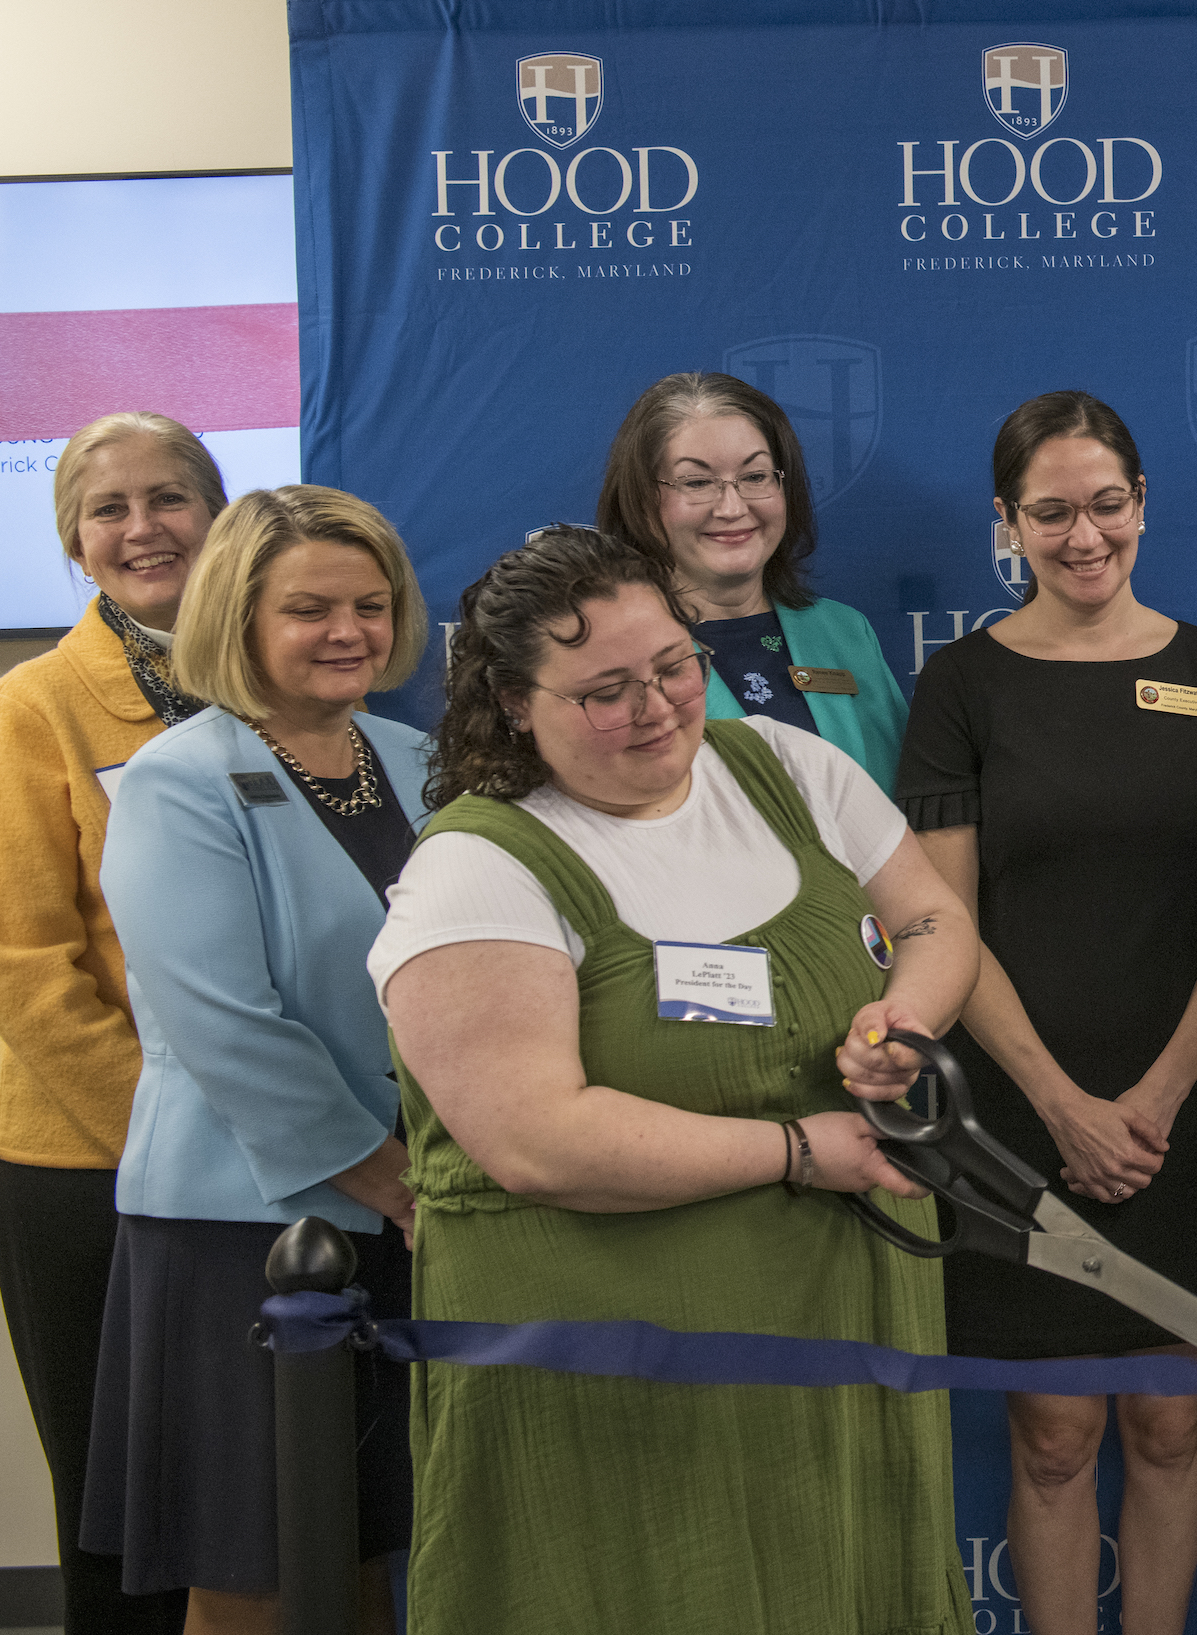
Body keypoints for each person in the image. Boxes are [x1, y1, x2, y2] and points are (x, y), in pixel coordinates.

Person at [367, 526, 977, 1635]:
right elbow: (536, 1139)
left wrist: (905, 1017)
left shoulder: (789, 767)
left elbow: (934, 916)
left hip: (833, 1325)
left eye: (673, 667)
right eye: (605, 690)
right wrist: (798, 1152)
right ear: (512, 699)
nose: (656, 707)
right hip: (605, 1359)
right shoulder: (478, 865)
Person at [894, 390, 1197, 1635]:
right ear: (1007, 524)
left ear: (1144, 504)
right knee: (1055, 1437)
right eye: (1049, 512)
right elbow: (943, 929)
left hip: (1188, 1107)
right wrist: (1061, 1104)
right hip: (1014, 1104)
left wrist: (1155, 1096)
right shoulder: (960, 684)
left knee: (1171, 1422)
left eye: (1106, 505)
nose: (1083, 536)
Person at [83, 485, 434, 1634]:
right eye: (310, 608)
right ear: (238, 616)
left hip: (407, 1214)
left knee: (368, 1545)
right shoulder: (179, 781)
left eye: (370, 606)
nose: (350, 632)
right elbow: (220, 1021)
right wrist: (384, 1173)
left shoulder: (415, 756)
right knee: (260, 1566)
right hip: (249, 1227)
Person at [0, 412, 220, 1635]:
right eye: (110, 508)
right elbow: (21, 965)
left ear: (218, 516)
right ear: (75, 541)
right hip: (97, 1170)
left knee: (246, 1509)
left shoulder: (277, 690)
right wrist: (176, 1136)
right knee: (116, 1522)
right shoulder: (30, 709)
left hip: (266, 1171)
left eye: (171, 497)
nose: (144, 528)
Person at [595, 370, 912, 790]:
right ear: (641, 501)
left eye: (755, 477)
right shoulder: (608, 654)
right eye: (697, 482)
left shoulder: (843, 631)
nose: (731, 507)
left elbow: (907, 804)